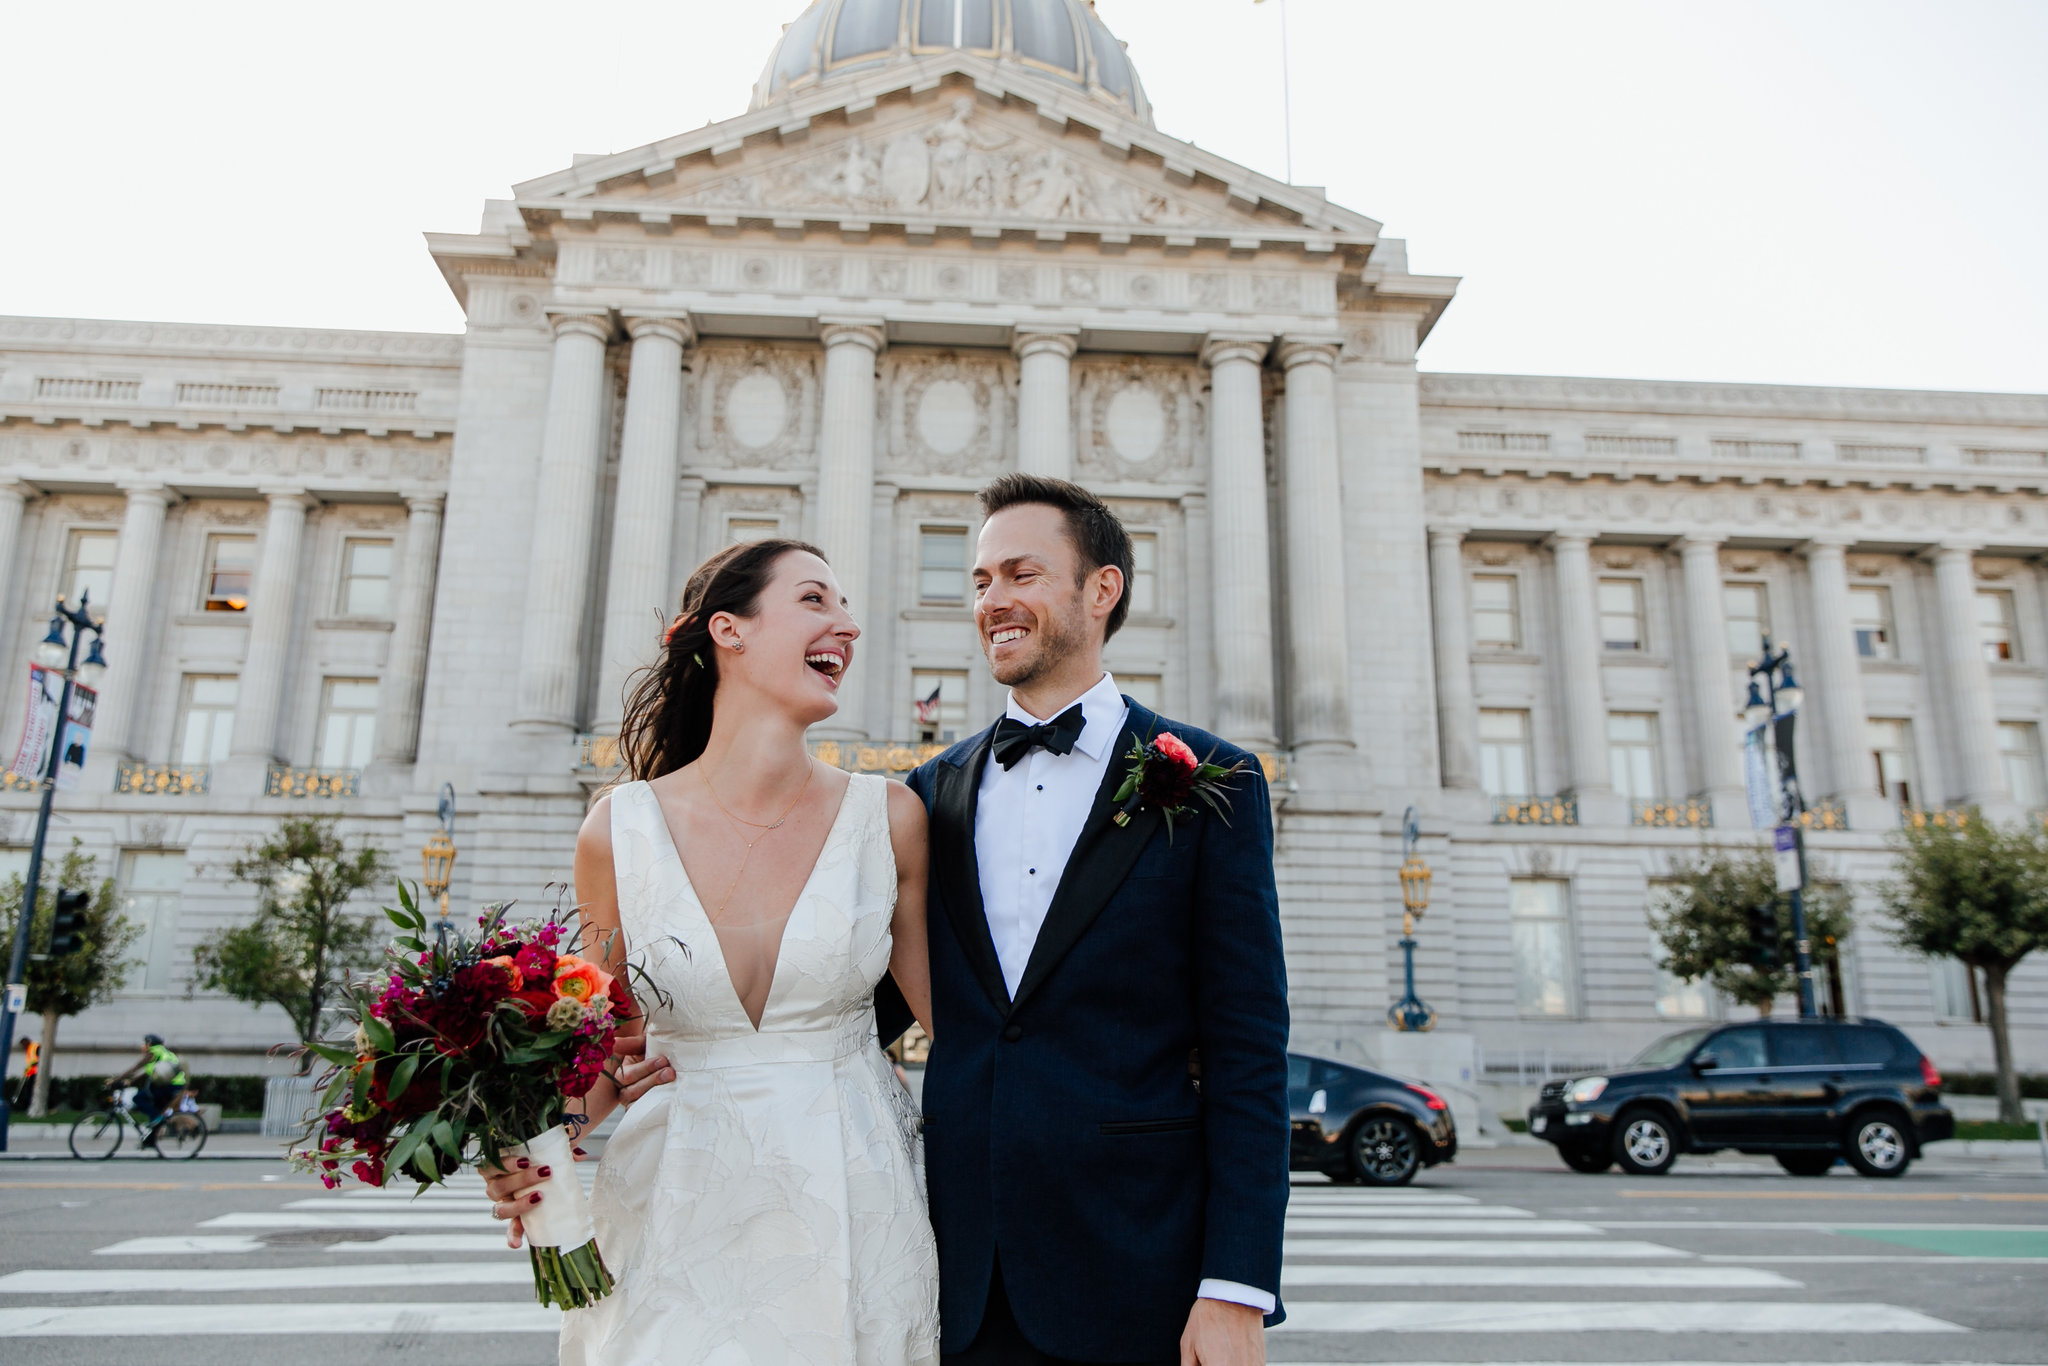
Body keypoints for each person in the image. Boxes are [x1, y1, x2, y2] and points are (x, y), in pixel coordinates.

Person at [483, 539, 940, 1366]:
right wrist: (526, 1153)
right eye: (815, 600)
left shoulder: (892, 818)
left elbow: (970, 1033)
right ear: (728, 629)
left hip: (858, 1193)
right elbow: (599, 1056)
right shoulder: (618, 831)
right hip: (673, 1200)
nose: (849, 624)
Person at [887, 474, 1290, 1365]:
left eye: (1022, 575)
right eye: (982, 579)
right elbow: (850, 1004)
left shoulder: (1215, 780)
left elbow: (1247, 1047)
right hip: (963, 1277)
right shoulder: (927, 794)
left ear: (1100, 590)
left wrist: (1235, 1287)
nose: (993, 600)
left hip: (1141, 1270)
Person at [114, 1034, 186, 1122]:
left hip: (167, 1086)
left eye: (143, 1043)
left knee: (138, 1098)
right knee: (158, 1108)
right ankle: (156, 1130)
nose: (142, 1046)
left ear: (149, 1044)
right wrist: (131, 1081)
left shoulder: (153, 1053)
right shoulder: (165, 1052)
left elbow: (136, 1067)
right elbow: (147, 1072)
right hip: (176, 1084)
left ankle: (157, 1119)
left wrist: (116, 1080)